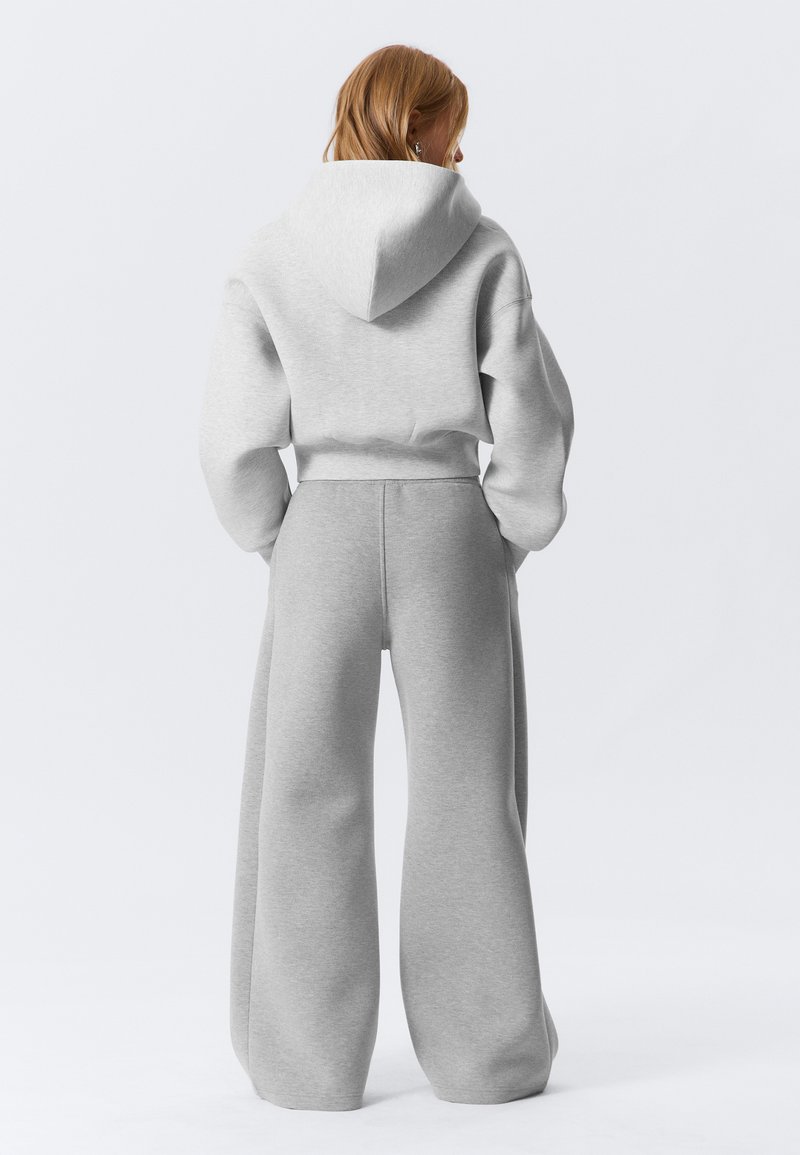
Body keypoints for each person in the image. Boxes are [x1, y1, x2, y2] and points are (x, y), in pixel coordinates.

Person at [198, 43, 574, 1113]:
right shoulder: (482, 248)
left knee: (303, 789)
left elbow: (231, 436)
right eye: (452, 126)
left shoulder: (272, 252)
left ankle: (303, 1066)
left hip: (318, 524)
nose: (459, 148)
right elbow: (531, 413)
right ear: (419, 125)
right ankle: (487, 1057)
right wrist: (510, 529)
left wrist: (275, 536)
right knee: (467, 792)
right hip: (449, 527)